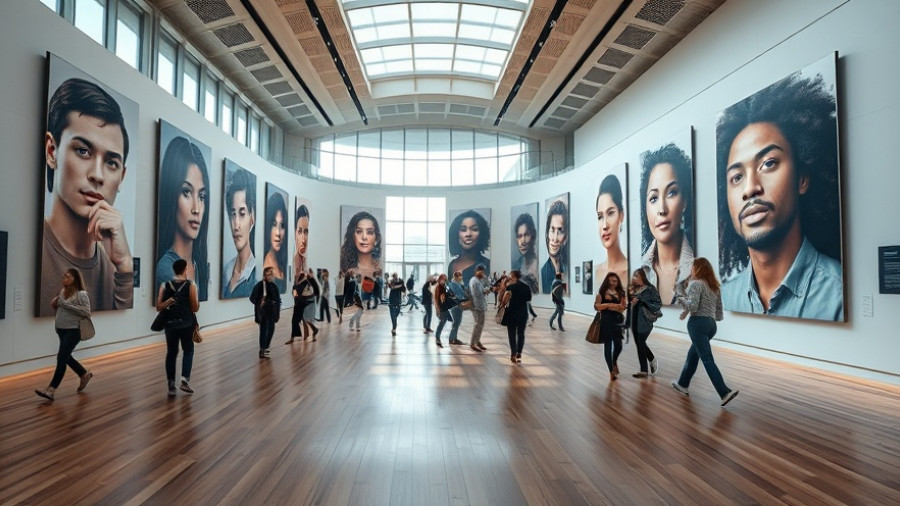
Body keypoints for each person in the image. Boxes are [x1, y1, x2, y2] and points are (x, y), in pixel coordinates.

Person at [717, 73, 842, 321]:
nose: (750, 188)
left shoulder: (837, 295)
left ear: (801, 179)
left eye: (769, 163)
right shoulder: (727, 297)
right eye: (737, 177)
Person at [40, 78, 134, 317]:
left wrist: (125, 268)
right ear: (52, 151)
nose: (97, 175)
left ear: (121, 177)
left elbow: (120, 331)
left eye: (111, 163)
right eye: (83, 151)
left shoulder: (114, 268)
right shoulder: (33, 248)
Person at [672, 258, 739, 406]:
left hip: (698, 324)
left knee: (707, 358)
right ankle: (682, 383)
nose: (691, 271)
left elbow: (693, 306)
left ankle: (724, 392)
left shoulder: (696, 284)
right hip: (711, 325)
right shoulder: (714, 286)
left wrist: (680, 299)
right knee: (693, 354)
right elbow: (719, 310)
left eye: (692, 268)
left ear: (698, 269)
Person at [639, 143, 694, 305]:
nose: (662, 209)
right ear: (646, 208)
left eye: (671, 193)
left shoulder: (698, 270)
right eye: (653, 199)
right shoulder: (641, 271)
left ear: (684, 201)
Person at [156, 136, 210, 302]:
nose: (196, 208)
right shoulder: (165, 269)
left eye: (201, 196)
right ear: (171, 194)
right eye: (186, 192)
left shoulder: (198, 265)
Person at [35, 268, 93, 401]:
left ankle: (51, 389)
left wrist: (66, 305)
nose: (64, 278)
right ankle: (84, 374)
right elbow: (61, 307)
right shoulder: (62, 292)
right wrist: (56, 305)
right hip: (61, 329)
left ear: (75, 279)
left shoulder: (82, 294)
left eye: (67, 276)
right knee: (65, 357)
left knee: (61, 358)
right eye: (64, 276)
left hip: (74, 330)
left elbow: (86, 312)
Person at [156, 258, 200, 396]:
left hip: (171, 324)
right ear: (185, 269)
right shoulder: (191, 285)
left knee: (171, 353)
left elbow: (159, 307)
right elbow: (194, 307)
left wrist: (169, 301)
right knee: (188, 351)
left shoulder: (165, 285)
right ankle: (184, 380)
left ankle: (171, 384)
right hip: (186, 323)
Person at [222, 167, 256, 298]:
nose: (236, 225)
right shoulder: (226, 271)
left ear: (252, 217)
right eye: (232, 214)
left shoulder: (254, 276)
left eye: (242, 214)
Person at [595, 174, 629, 288]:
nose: (604, 225)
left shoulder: (630, 272)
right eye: (600, 216)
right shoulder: (597, 272)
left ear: (621, 215)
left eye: (610, 213)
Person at [628, 269, 661, 378]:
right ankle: (649, 362)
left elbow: (657, 304)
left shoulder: (650, 289)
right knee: (639, 344)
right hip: (635, 320)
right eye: (633, 276)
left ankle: (645, 369)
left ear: (642, 277)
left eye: (636, 276)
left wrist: (641, 301)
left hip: (645, 320)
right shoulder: (634, 290)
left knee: (641, 342)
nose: (634, 278)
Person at [595, 272, 627, 381]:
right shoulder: (602, 292)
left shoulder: (621, 292)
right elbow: (597, 306)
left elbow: (623, 307)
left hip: (618, 321)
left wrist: (614, 307)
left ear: (618, 281)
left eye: (615, 281)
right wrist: (610, 305)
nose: (613, 283)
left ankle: (614, 361)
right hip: (606, 321)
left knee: (619, 345)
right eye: (610, 281)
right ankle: (611, 371)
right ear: (607, 281)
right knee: (608, 346)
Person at [447, 210, 491, 285]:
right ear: (456, 233)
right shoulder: (452, 265)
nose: (468, 234)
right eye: (463, 230)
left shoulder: (487, 264)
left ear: (481, 234)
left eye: (474, 229)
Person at [340, 211, 382, 280]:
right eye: (359, 231)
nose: (364, 237)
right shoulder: (347, 271)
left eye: (369, 232)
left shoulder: (380, 270)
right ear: (353, 236)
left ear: (376, 239)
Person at [249, 266, 281, 359]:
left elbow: (278, 301)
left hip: (271, 312)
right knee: (264, 330)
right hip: (263, 312)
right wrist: (260, 302)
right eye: (269, 273)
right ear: (265, 274)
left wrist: (277, 314)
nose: (271, 275)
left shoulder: (274, 287)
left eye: (272, 273)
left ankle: (266, 347)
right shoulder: (260, 285)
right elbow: (252, 298)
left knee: (270, 330)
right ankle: (263, 349)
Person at [500, 270, 531, 364]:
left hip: (511, 313)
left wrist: (503, 286)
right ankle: (519, 352)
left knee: (511, 334)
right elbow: (528, 299)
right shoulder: (526, 287)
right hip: (523, 313)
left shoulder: (510, 287)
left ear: (513, 276)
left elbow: (503, 300)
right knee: (521, 333)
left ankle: (513, 353)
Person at [263, 192, 288, 293]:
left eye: (282, 225)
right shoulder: (266, 265)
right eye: (274, 224)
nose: (278, 233)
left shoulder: (282, 263)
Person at [542, 200, 569, 293]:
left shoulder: (567, 268)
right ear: (547, 232)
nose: (555, 238)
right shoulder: (544, 271)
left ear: (566, 236)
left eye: (560, 231)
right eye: (552, 230)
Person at [513, 213, 540, 293]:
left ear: (533, 236)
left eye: (526, 235)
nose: (523, 241)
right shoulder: (517, 265)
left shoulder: (538, 264)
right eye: (519, 236)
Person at [468, 264, 492, 352]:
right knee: (478, 325)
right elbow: (477, 294)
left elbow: (488, 284)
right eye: (480, 271)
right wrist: (486, 291)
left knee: (480, 325)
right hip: (477, 306)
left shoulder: (480, 280)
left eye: (483, 271)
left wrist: (486, 286)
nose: (482, 273)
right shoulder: (474, 281)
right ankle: (472, 343)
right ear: (476, 271)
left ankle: (477, 341)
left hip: (481, 305)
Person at [446, 271, 467, 345]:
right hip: (456, 306)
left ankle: (454, 338)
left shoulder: (455, 284)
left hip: (456, 306)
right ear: (456, 277)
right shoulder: (454, 285)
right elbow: (459, 296)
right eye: (460, 277)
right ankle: (452, 339)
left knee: (457, 323)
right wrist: (465, 298)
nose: (461, 279)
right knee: (456, 323)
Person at [433, 274, 451, 348]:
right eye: (443, 279)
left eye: (445, 279)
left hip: (444, 308)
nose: (444, 280)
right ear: (440, 279)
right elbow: (437, 299)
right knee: (441, 324)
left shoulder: (443, 286)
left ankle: (449, 337)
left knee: (447, 322)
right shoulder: (439, 287)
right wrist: (438, 310)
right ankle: (437, 338)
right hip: (442, 309)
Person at [293, 203, 309, 279]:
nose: (303, 240)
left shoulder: (306, 263)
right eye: (299, 231)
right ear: (294, 232)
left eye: (306, 232)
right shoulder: (293, 264)